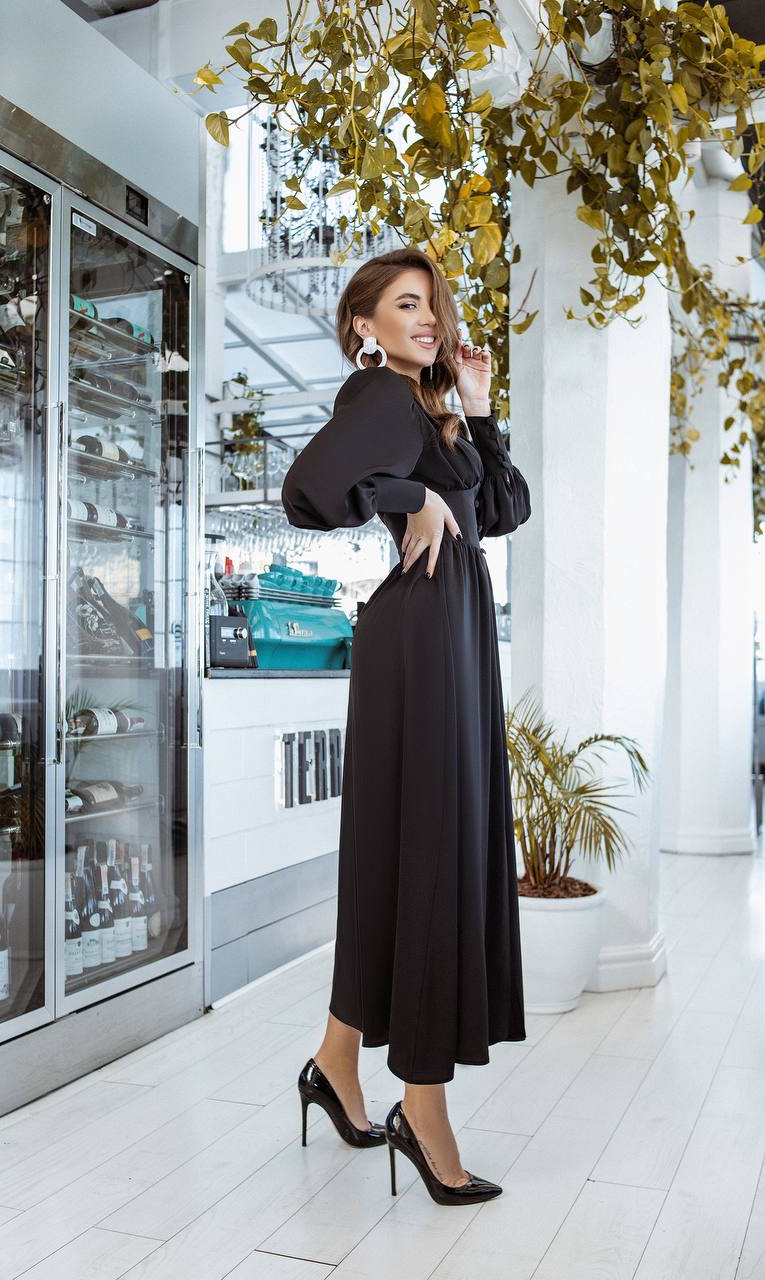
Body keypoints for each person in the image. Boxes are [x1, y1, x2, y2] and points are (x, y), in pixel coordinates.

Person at [282, 246, 532, 1206]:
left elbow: (501, 510)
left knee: (406, 855)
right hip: (422, 643)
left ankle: (334, 1063)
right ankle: (419, 1111)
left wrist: (473, 406)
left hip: (444, 641)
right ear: (364, 328)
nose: (425, 319)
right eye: (404, 304)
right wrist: (409, 494)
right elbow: (306, 492)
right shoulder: (381, 394)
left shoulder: (427, 407)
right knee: (428, 857)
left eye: (430, 303)